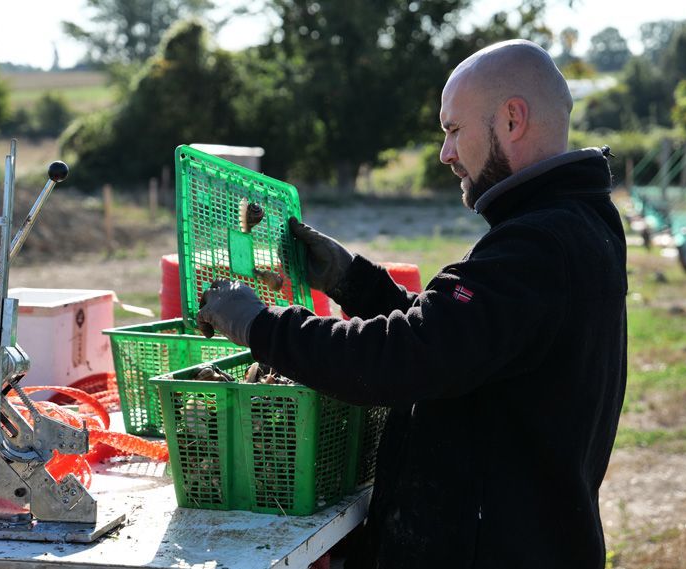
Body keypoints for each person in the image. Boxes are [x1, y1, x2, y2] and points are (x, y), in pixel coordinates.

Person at [197, 39, 627, 568]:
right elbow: (464, 339)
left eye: (453, 130)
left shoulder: (538, 245)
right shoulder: (572, 223)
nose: (446, 154)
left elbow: (405, 358)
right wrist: (353, 281)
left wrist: (260, 326)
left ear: (513, 119)